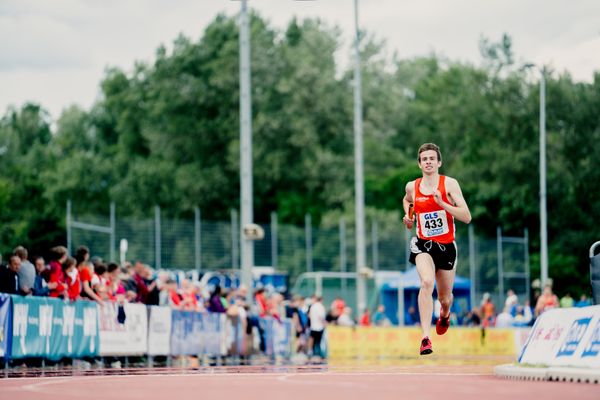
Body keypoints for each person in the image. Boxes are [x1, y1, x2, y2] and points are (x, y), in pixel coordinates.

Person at [402, 143, 471, 355]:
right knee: (426, 282)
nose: (428, 162)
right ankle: (425, 337)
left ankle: (445, 314)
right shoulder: (412, 187)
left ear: (439, 162)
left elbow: (467, 216)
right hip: (423, 244)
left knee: (444, 298)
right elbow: (407, 201)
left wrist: (443, 204)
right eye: (424, 159)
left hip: (447, 247)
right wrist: (409, 216)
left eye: (432, 158)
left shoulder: (449, 184)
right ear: (419, 164)